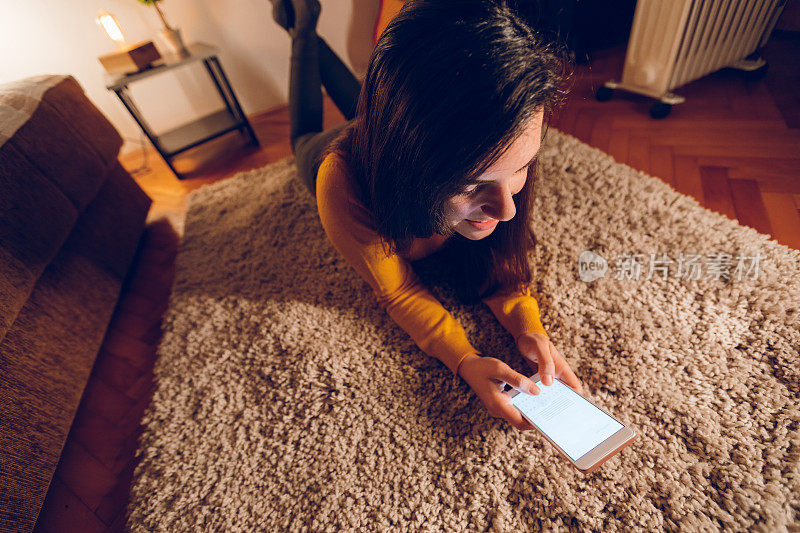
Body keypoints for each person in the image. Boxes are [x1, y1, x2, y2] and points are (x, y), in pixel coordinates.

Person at [270, 0, 583, 431]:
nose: (508, 209)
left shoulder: (507, 141)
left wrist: (529, 327)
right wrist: (467, 361)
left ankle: (312, 35)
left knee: (370, 108)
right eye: (473, 184)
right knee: (303, 134)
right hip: (331, 152)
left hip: (395, 130)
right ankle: (301, 26)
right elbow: (398, 292)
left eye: (520, 169)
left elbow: (496, 261)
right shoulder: (340, 184)